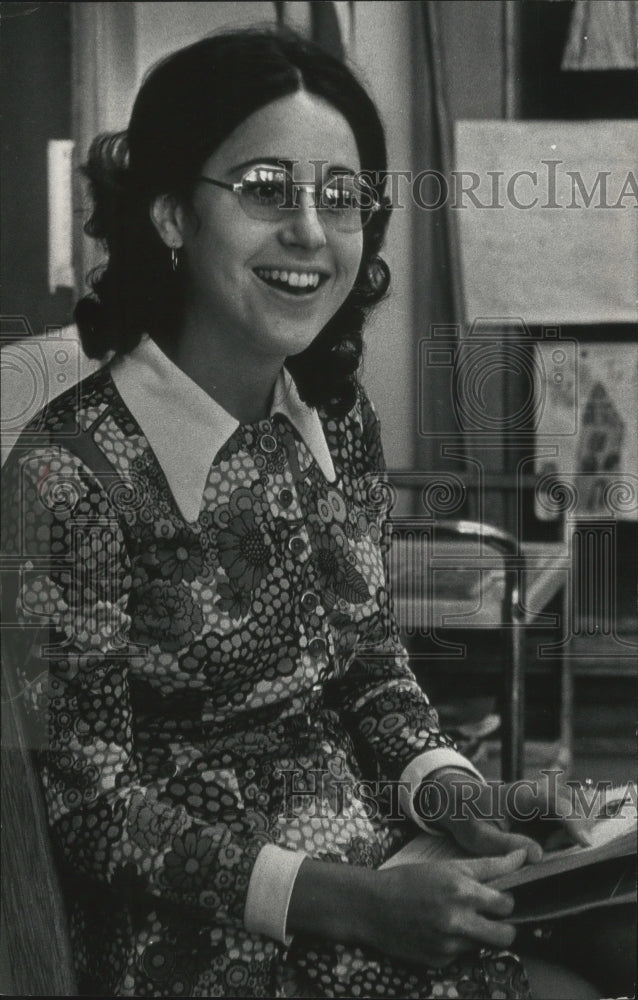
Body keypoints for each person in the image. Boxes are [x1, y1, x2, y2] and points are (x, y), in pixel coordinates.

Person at [1, 28, 632, 1000]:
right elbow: (87, 809)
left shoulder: (330, 414)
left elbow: (369, 670)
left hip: (374, 850)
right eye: (264, 187)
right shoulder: (68, 473)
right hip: (197, 932)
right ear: (170, 213)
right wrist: (347, 900)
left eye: (341, 198)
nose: (310, 229)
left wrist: (459, 795)